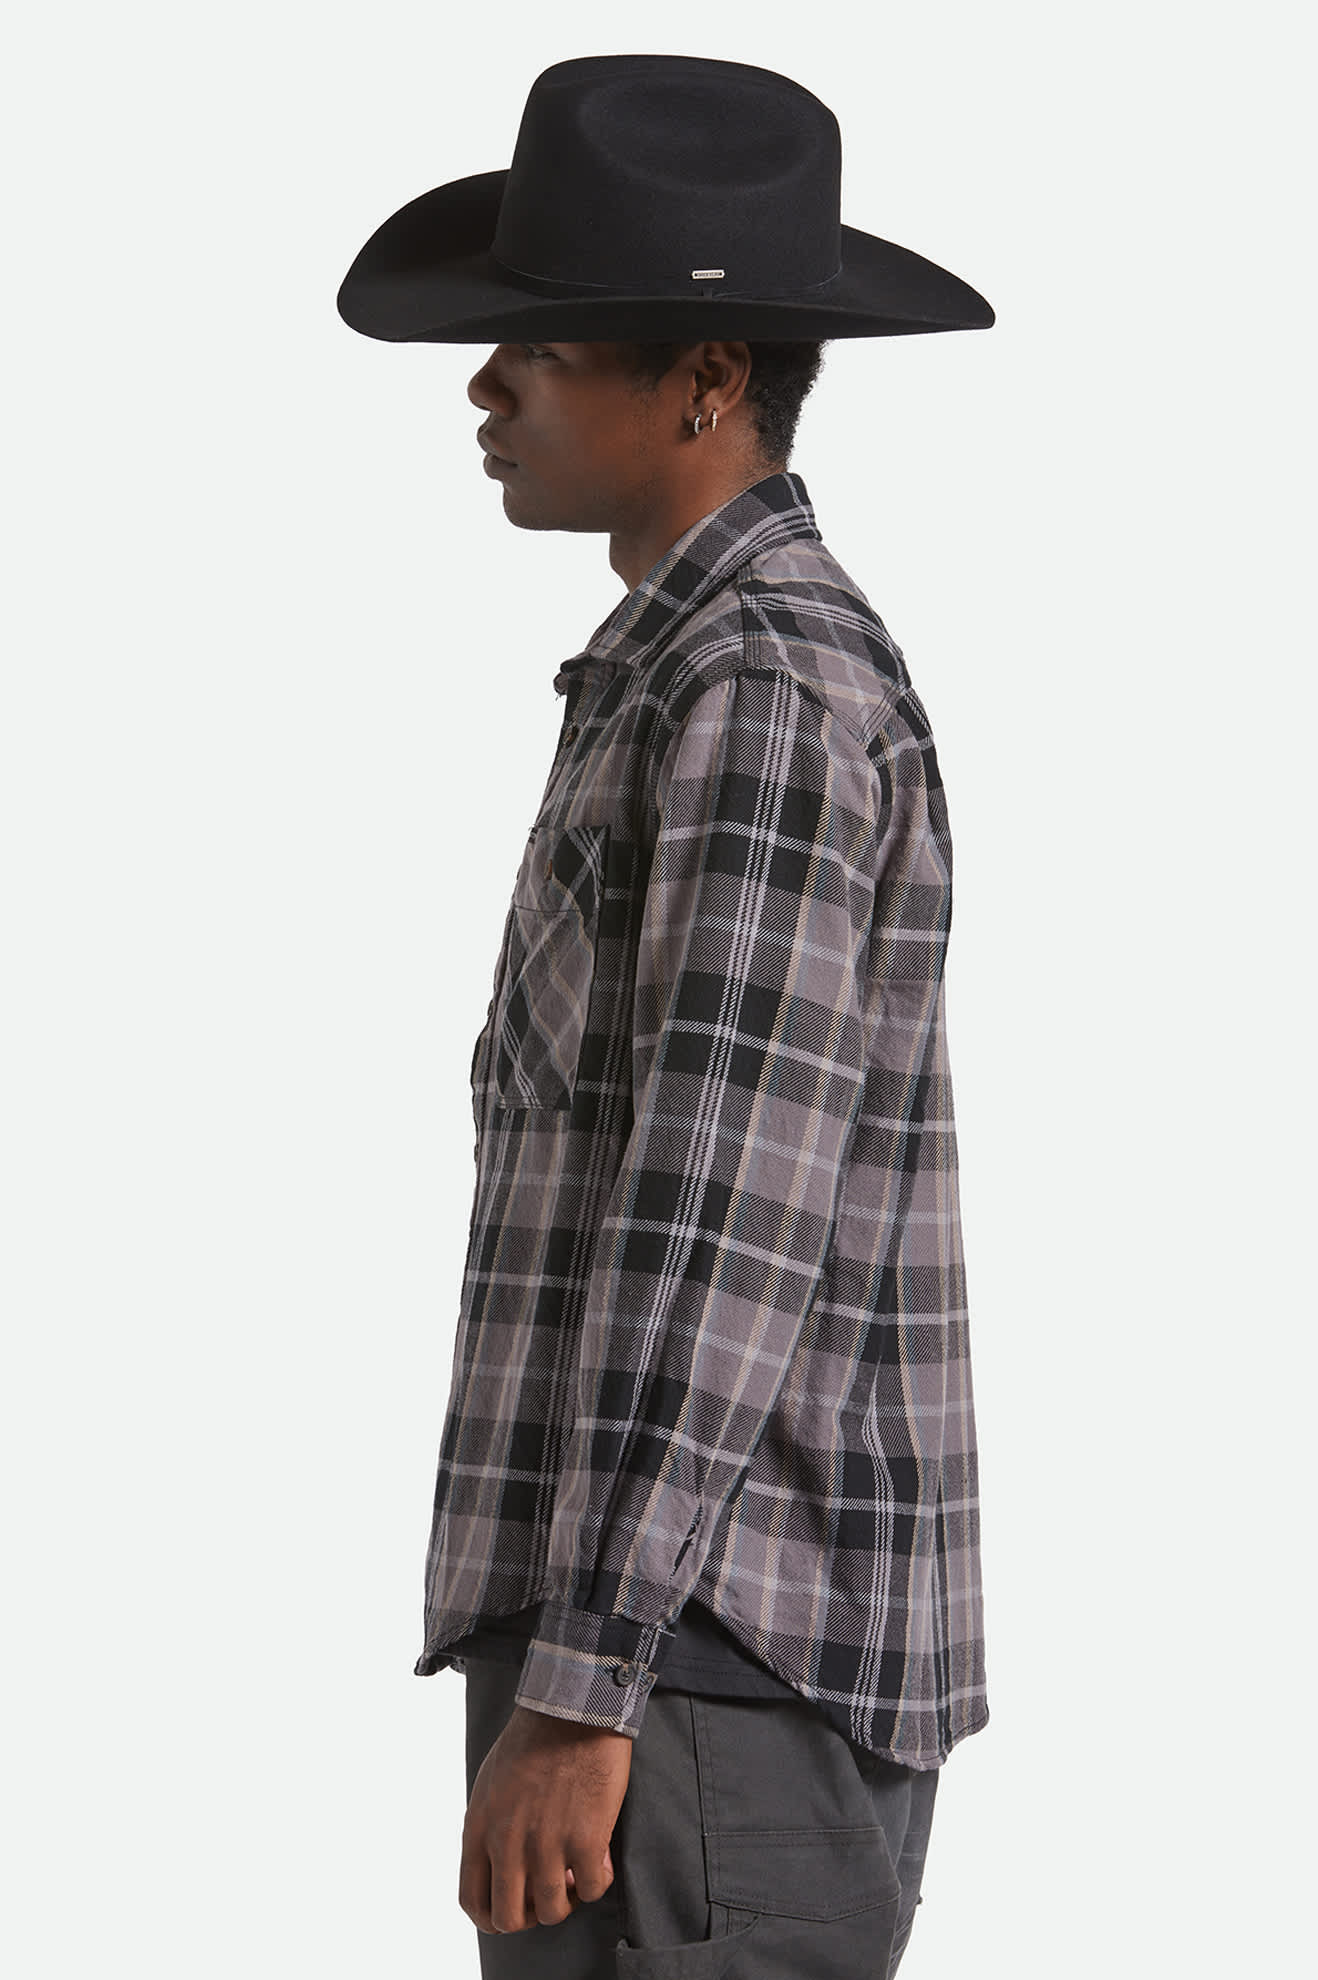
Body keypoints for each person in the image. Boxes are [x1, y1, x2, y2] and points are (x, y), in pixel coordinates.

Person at [338, 52, 992, 1980]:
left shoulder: (757, 691)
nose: (485, 389)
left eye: (538, 352)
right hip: (674, 1648)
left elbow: (719, 1223)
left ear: (706, 381)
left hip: (701, 1662)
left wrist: (586, 1679)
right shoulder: (684, 667)